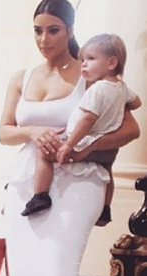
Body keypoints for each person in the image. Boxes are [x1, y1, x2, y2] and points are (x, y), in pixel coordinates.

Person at [0, 0, 139, 276]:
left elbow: (130, 128)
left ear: (71, 29)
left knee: (58, 274)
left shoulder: (92, 71)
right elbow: (4, 131)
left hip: (79, 179)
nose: (44, 39)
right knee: (23, 275)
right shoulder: (22, 77)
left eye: (53, 30)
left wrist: (88, 147)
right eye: (38, 30)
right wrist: (33, 131)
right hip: (27, 179)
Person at [22, 33, 141, 224]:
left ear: (111, 63)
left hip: (85, 142)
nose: (83, 64)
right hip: (108, 150)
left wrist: (69, 145)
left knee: (43, 153)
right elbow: (137, 102)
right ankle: (105, 209)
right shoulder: (122, 88)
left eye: (90, 59)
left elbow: (87, 120)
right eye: (83, 60)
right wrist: (118, 105)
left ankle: (40, 195)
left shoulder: (97, 89)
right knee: (107, 171)